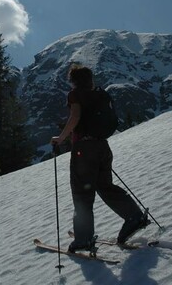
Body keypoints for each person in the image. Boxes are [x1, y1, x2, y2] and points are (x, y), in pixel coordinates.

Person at [51, 64, 149, 252]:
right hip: (102, 146)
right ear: (90, 79)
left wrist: (61, 138)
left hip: (84, 149)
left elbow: (75, 116)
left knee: (82, 193)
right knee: (105, 186)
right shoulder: (100, 94)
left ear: (73, 80)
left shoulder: (75, 94)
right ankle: (134, 216)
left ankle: (84, 239)